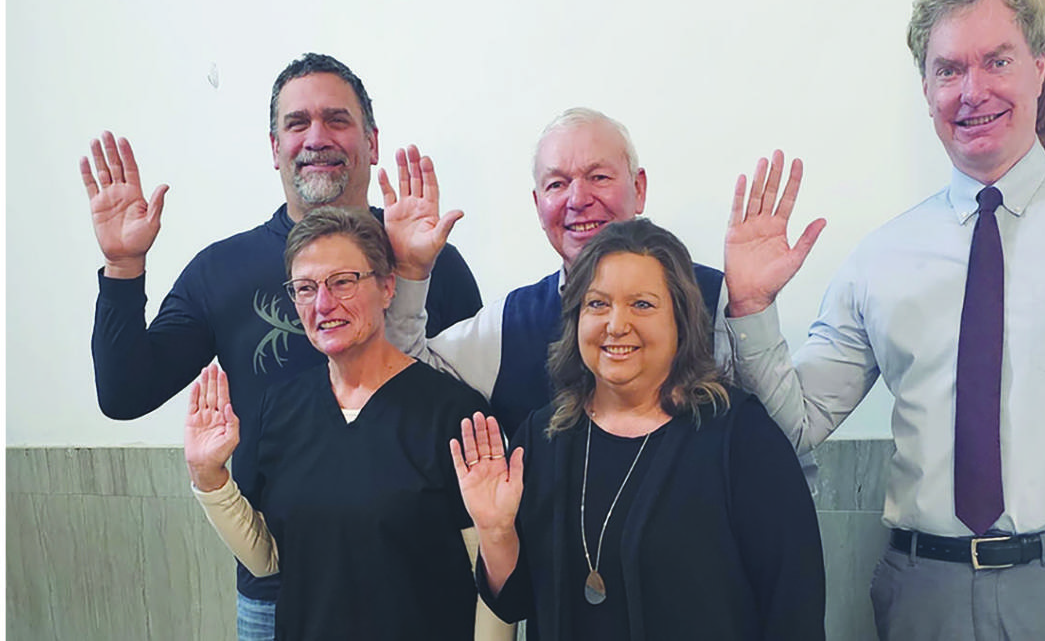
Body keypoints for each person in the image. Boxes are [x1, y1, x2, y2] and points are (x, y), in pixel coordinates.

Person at [721, 0, 1045, 641]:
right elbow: (801, 421)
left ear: (1040, 70)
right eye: (948, 69)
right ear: (926, 89)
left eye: (997, 61)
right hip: (921, 592)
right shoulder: (882, 258)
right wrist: (752, 305)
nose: (973, 90)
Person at [79, 52, 482, 639]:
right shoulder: (222, 271)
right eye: (297, 123)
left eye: (336, 120)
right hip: (276, 593)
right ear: (274, 148)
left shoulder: (423, 258)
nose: (316, 138)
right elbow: (123, 393)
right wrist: (122, 266)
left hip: (413, 589)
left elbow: (474, 406)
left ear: (371, 141)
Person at [451, 218, 825, 640]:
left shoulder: (741, 439)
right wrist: (496, 531)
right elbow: (514, 602)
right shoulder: (543, 438)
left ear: (682, 320)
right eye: (597, 304)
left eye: (642, 305)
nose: (615, 325)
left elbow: (794, 608)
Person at [186, 206, 485, 640]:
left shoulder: (452, 413)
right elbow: (269, 559)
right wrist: (208, 476)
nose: (324, 304)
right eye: (305, 288)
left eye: (343, 282)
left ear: (386, 288)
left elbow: (490, 576)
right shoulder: (282, 409)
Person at [382, 108, 728, 436]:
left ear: (638, 189)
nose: (578, 199)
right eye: (557, 185)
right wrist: (411, 270)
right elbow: (405, 378)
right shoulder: (510, 324)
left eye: (599, 177)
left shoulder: (717, 299)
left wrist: (754, 307)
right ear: (537, 205)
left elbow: (775, 426)